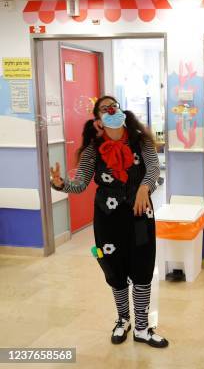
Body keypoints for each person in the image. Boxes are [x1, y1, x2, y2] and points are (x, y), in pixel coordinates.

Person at [50, 96, 169, 348]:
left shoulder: (141, 140)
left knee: (142, 268)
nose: (111, 109)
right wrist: (60, 184)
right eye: (105, 109)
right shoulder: (93, 149)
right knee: (114, 269)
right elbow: (81, 183)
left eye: (113, 105)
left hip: (140, 214)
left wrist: (144, 188)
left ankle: (141, 327)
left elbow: (154, 169)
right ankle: (123, 319)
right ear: (99, 120)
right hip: (107, 218)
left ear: (122, 111)